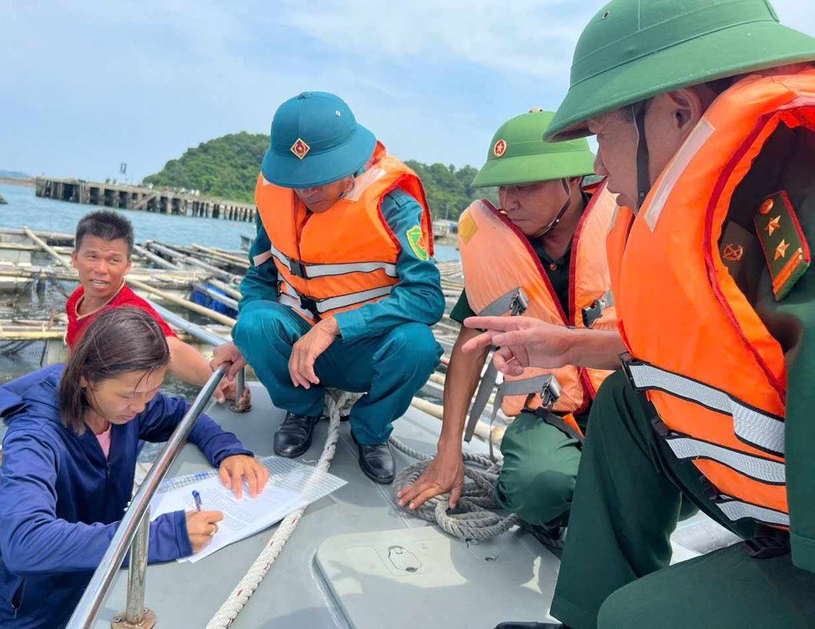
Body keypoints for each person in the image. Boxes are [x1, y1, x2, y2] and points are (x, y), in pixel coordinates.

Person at [464, 1, 815, 627]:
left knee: (635, 618)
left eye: (603, 135)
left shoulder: (802, 226)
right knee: (630, 403)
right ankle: (583, 616)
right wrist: (571, 346)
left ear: (676, 111)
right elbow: (711, 350)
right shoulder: (748, 192)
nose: (597, 166)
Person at [397, 110, 622, 538]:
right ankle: (555, 512)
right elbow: (468, 349)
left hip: (626, 398)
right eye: (503, 186)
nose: (509, 200)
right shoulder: (498, 251)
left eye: (525, 186)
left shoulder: (624, 224)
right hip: (550, 411)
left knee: (671, 484)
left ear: (572, 180)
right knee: (536, 487)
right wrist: (449, 451)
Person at [0, 307, 268, 628]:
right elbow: (24, 543)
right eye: (129, 395)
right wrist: (164, 536)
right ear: (85, 376)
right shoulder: (34, 437)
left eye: (151, 393)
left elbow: (181, 414)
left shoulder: (125, 405)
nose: (141, 407)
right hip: (25, 612)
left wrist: (228, 451)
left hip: (95, 579)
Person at [212, 91, 444, 484]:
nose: (307, 191)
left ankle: (371, 432)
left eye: (319, 179)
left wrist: (336, 326)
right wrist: (242, 341)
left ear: (352, 163)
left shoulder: (395, 206)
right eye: (297, 181)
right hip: (296, 345)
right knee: (252, 323)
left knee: (418, 345)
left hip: (364, 348)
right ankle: (301, 409)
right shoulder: (274, 200)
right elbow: (260, 278)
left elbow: (426, 297)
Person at [67, 210, 248, 405]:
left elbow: (172, 349)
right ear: (75, 258)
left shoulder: (131, 311)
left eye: (113, 260)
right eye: (92, 257)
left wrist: (217, 382)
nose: (101, 269)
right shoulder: (77, 297)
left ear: (128, 266)